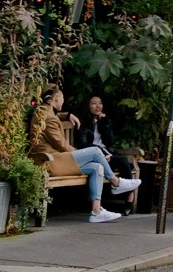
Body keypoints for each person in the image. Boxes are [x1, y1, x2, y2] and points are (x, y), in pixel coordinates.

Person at [27, 85, 141, 223]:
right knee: (95, 151)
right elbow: (61, 145)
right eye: (62, 98)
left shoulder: (45, 111)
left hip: (56, 159)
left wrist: (68, 114)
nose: (63, 101)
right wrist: (78, 152)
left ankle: (96, 211)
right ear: (55, 99)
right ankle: (116, 182)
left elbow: (54, 117)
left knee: (96, 168)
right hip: (49, 161)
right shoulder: (48, 117)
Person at [71, 94, 137, 215]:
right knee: (122, 161)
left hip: (105, 154)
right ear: (88, 106)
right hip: (92, 156)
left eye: (100, 103)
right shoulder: (83, 122)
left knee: (123, 162)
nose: (98, 106)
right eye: (94, 103)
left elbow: (109, 141)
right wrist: (99, 154)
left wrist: (106, 122)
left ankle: (129, 196)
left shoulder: (103, 120)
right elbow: (83, 144)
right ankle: (128, 196)